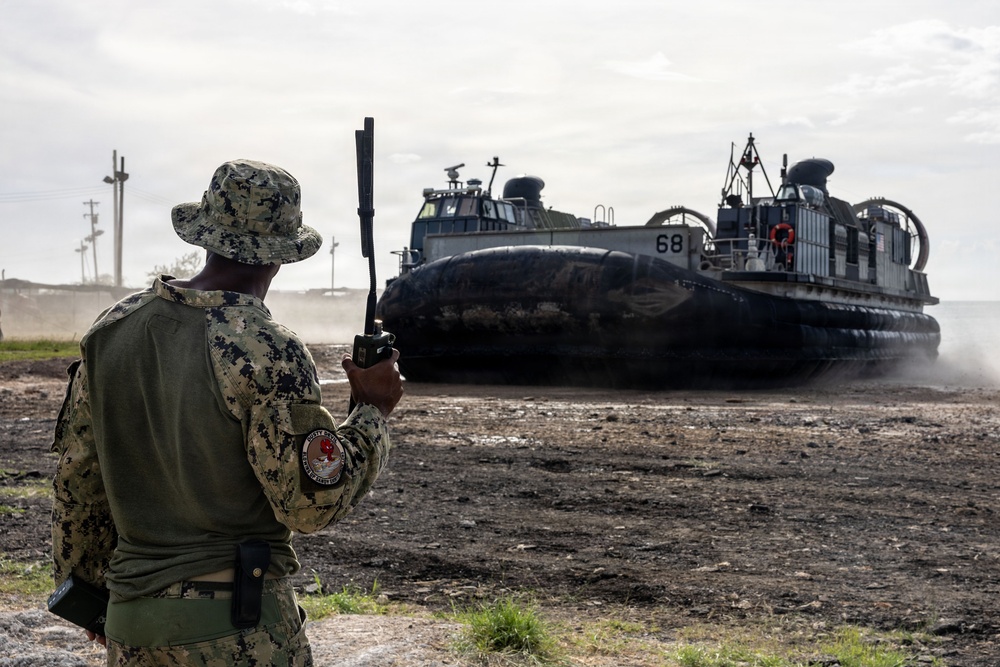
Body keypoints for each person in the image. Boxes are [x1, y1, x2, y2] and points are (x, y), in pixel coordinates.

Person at [50, 159, 403, 666]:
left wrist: (89, 596)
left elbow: (76, 484)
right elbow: (309, 505)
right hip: (238, 629)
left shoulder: (112, 332)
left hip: (131, 623)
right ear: (281, 256)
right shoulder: (266, 348)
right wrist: (371, 412)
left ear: (206, 236)